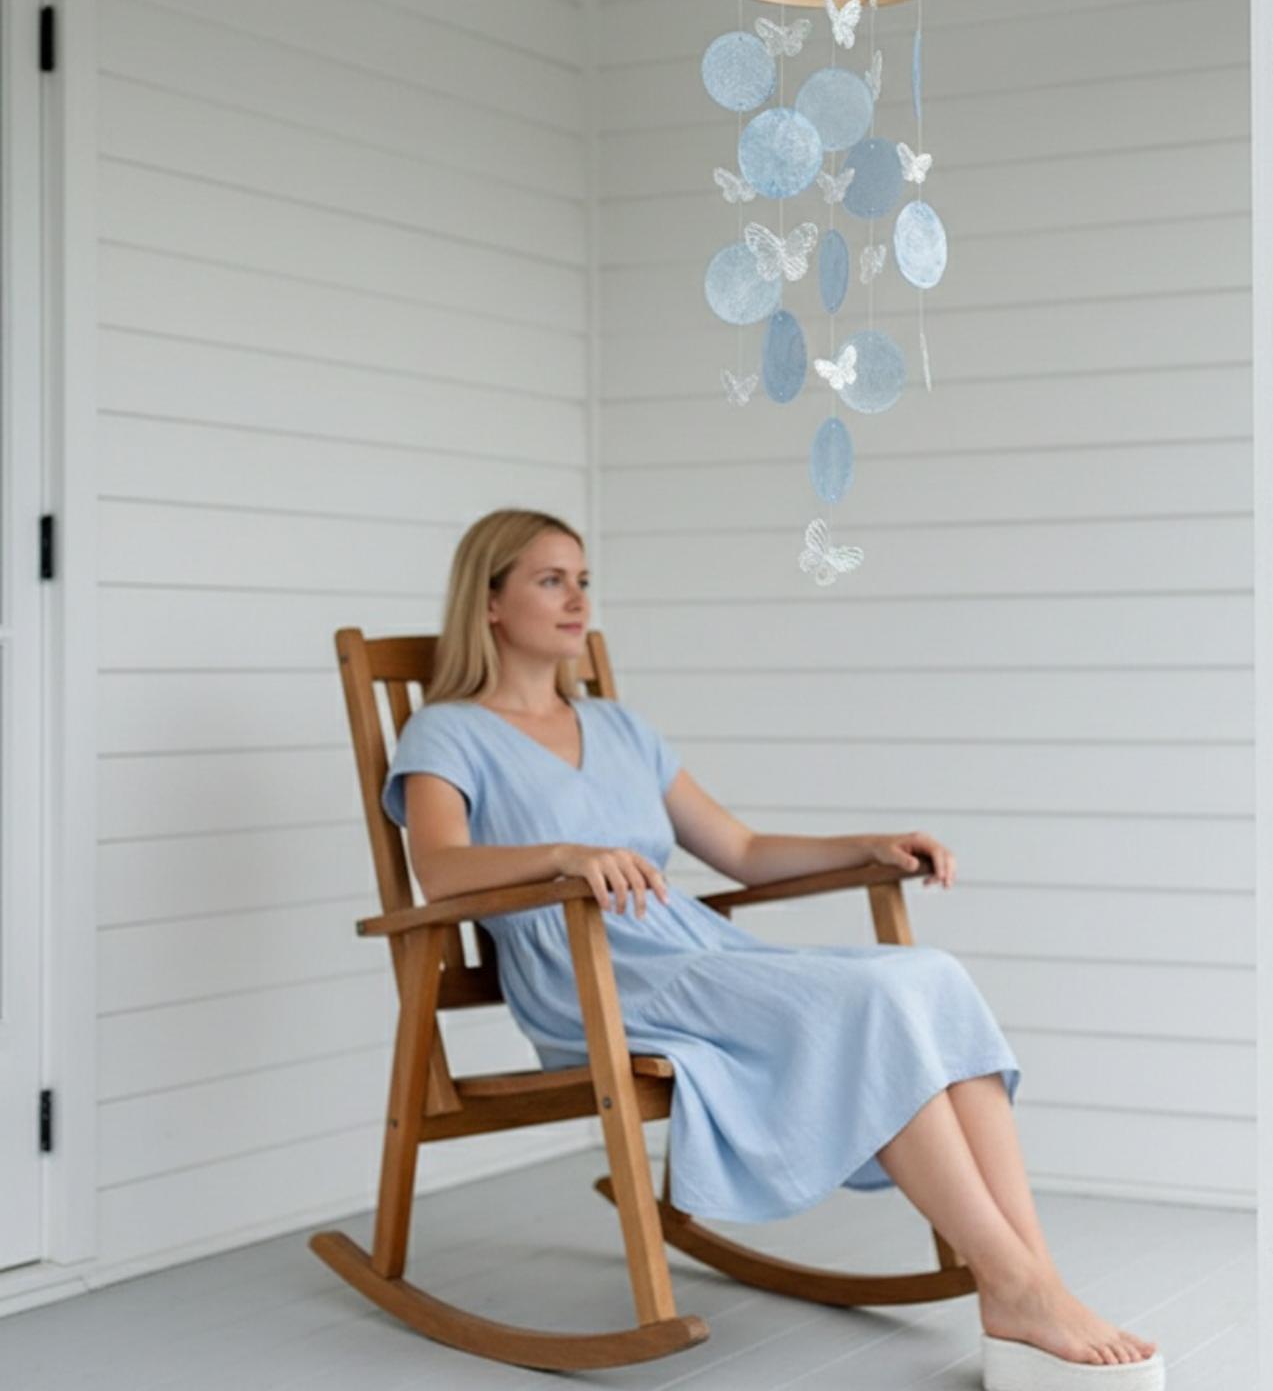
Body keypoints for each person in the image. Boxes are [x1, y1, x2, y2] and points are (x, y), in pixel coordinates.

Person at [380, 508, 1159, 1369]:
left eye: (584, 580)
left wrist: (867, 845)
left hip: (694, 952)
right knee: (868, 998)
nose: (578, 600)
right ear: (490, 602)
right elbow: (439, 869)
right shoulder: (447, 730)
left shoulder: (620, 728)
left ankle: (1030, 1277)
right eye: (551, 580)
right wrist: (567, 855)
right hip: (595, 977)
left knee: (928, 975)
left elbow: (742, 850)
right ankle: (1014, 1282)